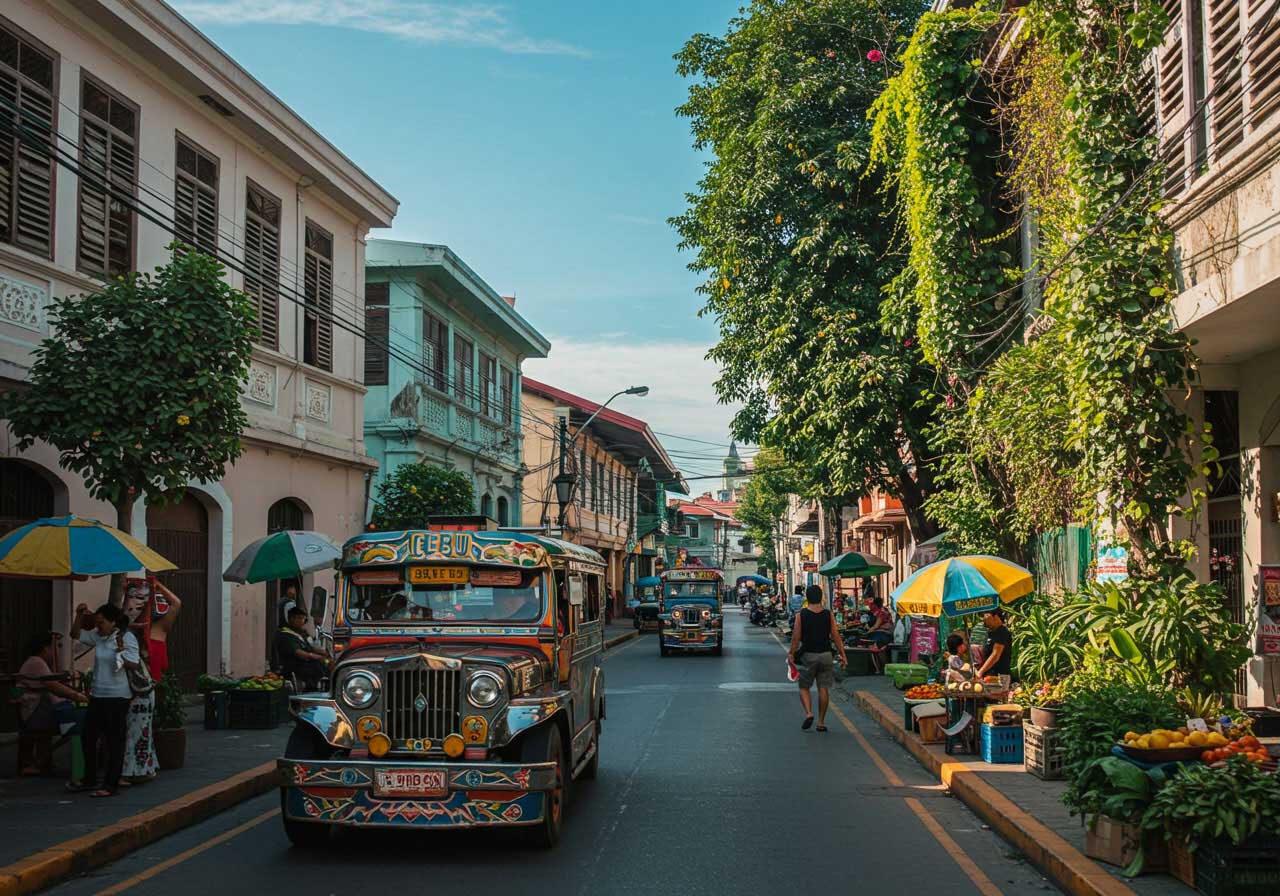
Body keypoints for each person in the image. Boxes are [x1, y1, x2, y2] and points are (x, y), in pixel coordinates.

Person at [69, 603, 140, 797]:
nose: (98, 626)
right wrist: (79, 616)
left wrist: (121, 652)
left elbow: (134, 664)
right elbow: (75, 634)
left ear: (113, 622)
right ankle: (90, 779)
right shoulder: (98, 637)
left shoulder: (127, 637)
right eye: (96, 622)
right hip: (98, 695)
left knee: (114, 741)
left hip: (118, 697)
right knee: (88, 737)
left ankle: (110, 784)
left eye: (101, 623)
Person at [17, 632, 87, 776]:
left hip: (41, 710)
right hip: (36, 712)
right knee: (78, 720)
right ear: (45, 648)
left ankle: (42, 762)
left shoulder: (37, 662)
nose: (55, 651)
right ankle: (38, 763)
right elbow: (53, 685)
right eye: (53, 647)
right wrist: (76, 696)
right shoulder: (36, 662)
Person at [788, 584, 849, 732]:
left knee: (804, 687)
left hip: (808, 655)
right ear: (821, 597)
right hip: (826, 655)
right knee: (823, 688)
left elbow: (796, 637)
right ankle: (821, 722)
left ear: (807, 598)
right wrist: (843, 654)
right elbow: (835, 635)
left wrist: (791, 653)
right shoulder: (828, 614)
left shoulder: (800, 615)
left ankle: (809, 713)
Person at [120, 631, 157, 784]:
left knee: (136, 732)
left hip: (140, 696)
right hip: (140, 695)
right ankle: (145, 768)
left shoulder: (128, 654)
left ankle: (133, 772)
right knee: (140, 731)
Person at [275, 606, 328, 690]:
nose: (302, 621)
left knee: (327, 663)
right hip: (294, 666)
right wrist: (316, 657)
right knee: (319, 666)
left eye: (303, 619)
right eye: (299, 618)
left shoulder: (301, 633)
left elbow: (311, 647)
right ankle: (312, 690)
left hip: (305, 663)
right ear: (292, 619)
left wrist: (326, 653)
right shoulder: (285, 634)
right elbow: (299, 653)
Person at [976, 609, 1013, 678]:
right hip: (989, 675)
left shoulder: (1002, 633)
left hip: (999, 677)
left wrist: (980, 672)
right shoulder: (991, 633)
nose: (983, 618)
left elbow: (995, 655)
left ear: (995, 616)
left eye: (986, 615)